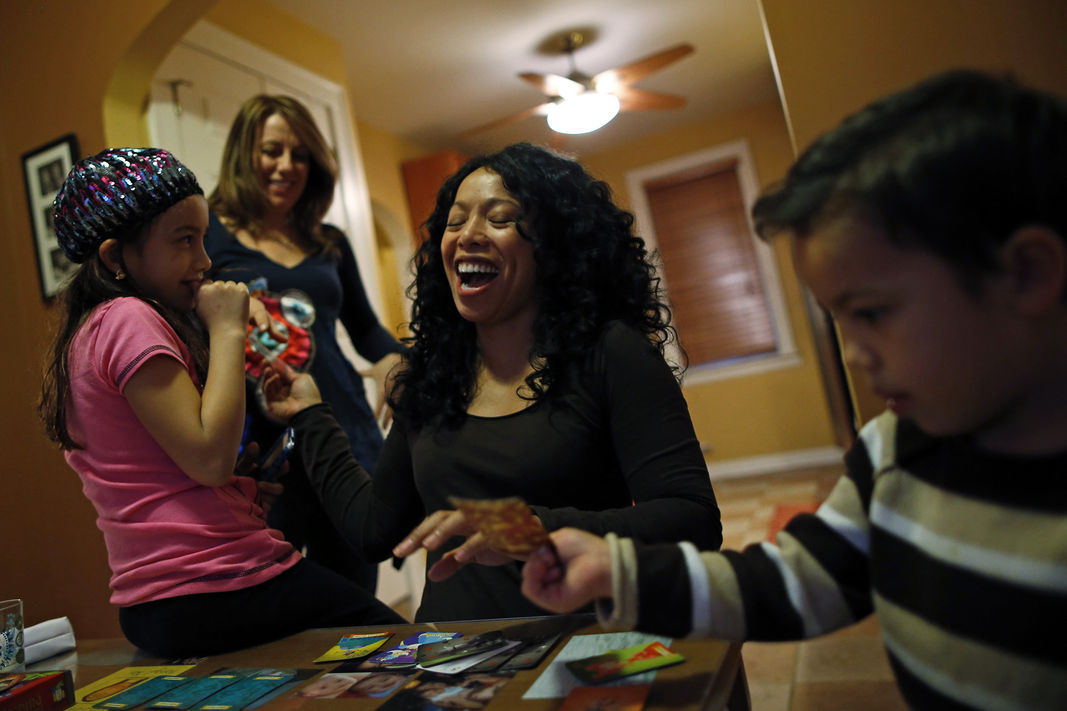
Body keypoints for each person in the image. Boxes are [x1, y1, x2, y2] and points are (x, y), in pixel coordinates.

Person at [519, 70, 1067, 710]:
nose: (857, 355)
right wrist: (619, 569)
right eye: (841, 319)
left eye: (873, 313)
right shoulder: (892, 448)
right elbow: (805, 580)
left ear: (1025, 274)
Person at [260, 142, 723, 622]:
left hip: (584, 648)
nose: (468, 236)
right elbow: (375, 529)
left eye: (499, 218)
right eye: (455, 221)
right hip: (453, 665)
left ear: (555, 244)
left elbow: (692, 519)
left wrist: (527, 528)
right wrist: (311, 417)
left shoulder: (611, 353)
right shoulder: (431, 374)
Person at [38, 147, 404, 658]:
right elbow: (209, 458)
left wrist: (237, 486)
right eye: (184, 240)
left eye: (203, 238)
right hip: (215, 581)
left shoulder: (89, 333)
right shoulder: (128, 318)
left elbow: (166, 468)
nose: (204, 261)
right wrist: (228, 328)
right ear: (115, 257)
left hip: (157, 599)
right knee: (399, 645)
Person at [206, 94, 405, 592]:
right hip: (261, 451)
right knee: (274, 603)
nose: (287, 166)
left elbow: (366, 330)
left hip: (345, 438)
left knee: (359, 605)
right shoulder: (206, 234)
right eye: (272, 150)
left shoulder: (330, 241)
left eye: (300, 155)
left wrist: (393, 363)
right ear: (242, 154)